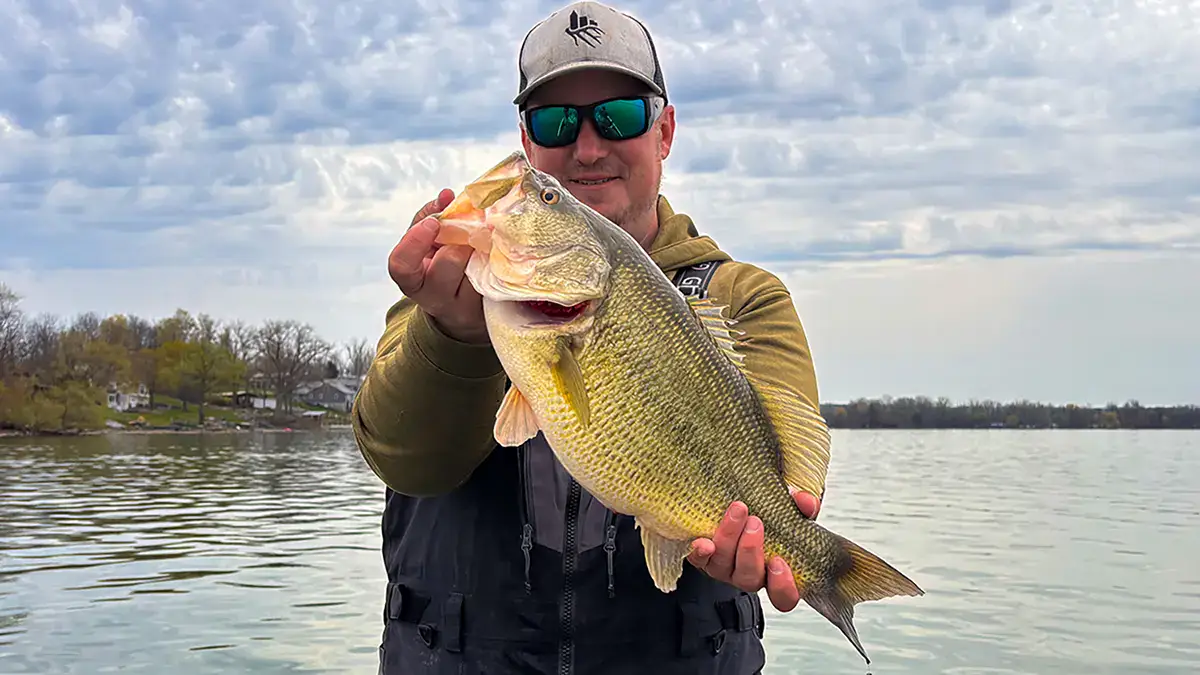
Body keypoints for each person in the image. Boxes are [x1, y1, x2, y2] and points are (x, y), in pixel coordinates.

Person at [351, 2, 827, 673]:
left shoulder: (746, 299)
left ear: (664, 132)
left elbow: (787, 474)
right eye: (555, 122)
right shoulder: (453, 288)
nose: (589, 145)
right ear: (526, 139)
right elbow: (406, 460)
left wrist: (782, 528)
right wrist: (454, 334)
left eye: (620, 115)